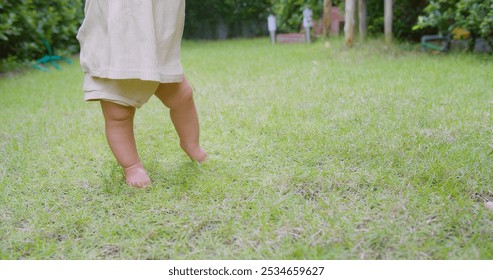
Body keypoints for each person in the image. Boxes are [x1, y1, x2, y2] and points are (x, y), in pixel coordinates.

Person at [77, 0, 207, 188]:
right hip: (115, 55)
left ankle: (192, 145)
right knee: (118, 115)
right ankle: (132, 166)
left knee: (183, 97)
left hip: (159, 50)